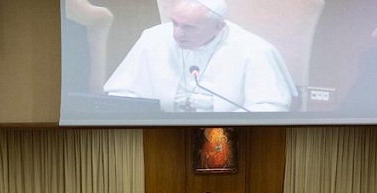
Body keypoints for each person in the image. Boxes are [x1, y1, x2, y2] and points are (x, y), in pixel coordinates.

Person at [103, 0, 297, 112]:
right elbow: (121, 93)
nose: (177, 33)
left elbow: (270, 107)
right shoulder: (153, 38)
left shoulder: (254, 50)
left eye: (188, 27)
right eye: (175, 23)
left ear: (218, 27)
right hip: (160, 130)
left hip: (226, 136)